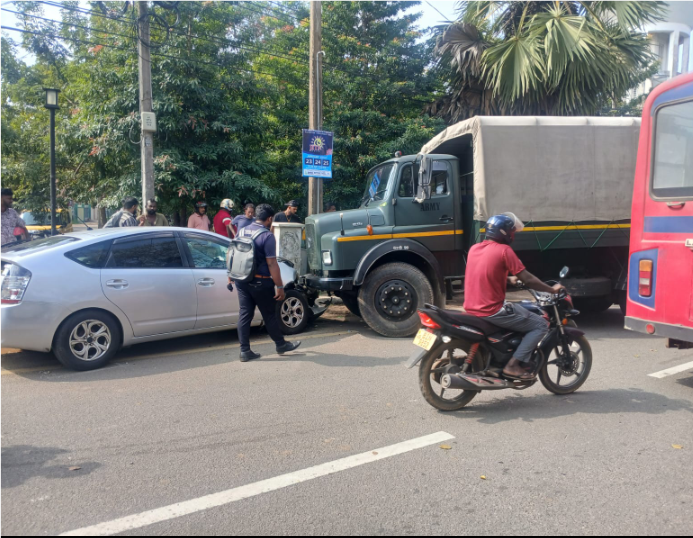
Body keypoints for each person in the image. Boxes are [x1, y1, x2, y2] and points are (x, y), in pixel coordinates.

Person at [464, 213, 565, 381]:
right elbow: (528, 279)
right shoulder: (505, 251)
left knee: (517, 311)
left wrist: (507, 279)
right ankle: (512, 365)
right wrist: (551, 290)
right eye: (513, 232)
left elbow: (484, 274)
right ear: (505, 233)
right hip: (492, 310)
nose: (514, 235)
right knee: (540, 324)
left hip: (471, 307)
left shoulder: (474, 249)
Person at [233, 203, 301, 363]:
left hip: (242, 280)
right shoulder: (267, 236)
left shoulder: (241, 231)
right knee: (269, 315)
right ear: (270, 218)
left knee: (245, 314)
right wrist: (279, 286)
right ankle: (281, 345)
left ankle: (244, 351)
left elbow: (234, 253)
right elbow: (272, 264)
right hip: (260, 282)